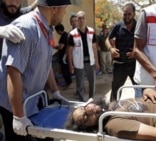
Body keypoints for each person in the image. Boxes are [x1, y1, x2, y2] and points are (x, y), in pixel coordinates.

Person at [0, 0, 71, 140]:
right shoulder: (26, 28)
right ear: (54, 8)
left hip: (32, 100)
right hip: (14, 105)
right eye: (64, 8)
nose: (65, 13)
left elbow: (46, 63)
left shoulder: (48, 29)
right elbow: (13, 71)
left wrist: (55, 91)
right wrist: (18, 116)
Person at [66, 88, 156, 141]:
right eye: (85, 118)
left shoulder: (110, 106)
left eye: (83, 109)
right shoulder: (114, 124)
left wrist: (146, 91)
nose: (88, 111)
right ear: (89, 128)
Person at [105, 3, 138, 101]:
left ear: (134, 14)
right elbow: (107, 39)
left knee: (139, 89)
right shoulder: (118, 26)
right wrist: (111, 49)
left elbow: (144, 41)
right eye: (125, 14)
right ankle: (113, 112)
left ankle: (140, 111)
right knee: (116, 90)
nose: (127, 16)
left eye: (129, 14)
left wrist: (135, 52)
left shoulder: (139, 26)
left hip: (134, 64)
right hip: (120, 64)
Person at [68, 10, 100, 102]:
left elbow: (94, 47)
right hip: (79, 63)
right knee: (80, 84)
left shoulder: (91, 31)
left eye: (83, 18)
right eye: (79, 18)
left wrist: (97, 61)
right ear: (77, 20)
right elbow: (69, 51)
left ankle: (91, 100)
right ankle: (81, 103)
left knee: (92, 83)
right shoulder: (72, 34)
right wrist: (71, 65)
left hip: (91, 62)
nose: (81, 20)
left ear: (85, 19)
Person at [54, 23, 73, 89]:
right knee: (66, 69)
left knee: (65, 70)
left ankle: (68, 83)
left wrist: (53, 46)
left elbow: (61, 47)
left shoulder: (64, 36)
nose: (57, 33)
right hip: (65, 55)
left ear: (59, 30)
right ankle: (68, 82)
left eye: (57, 31)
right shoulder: (66, 35)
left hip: (64, 56)